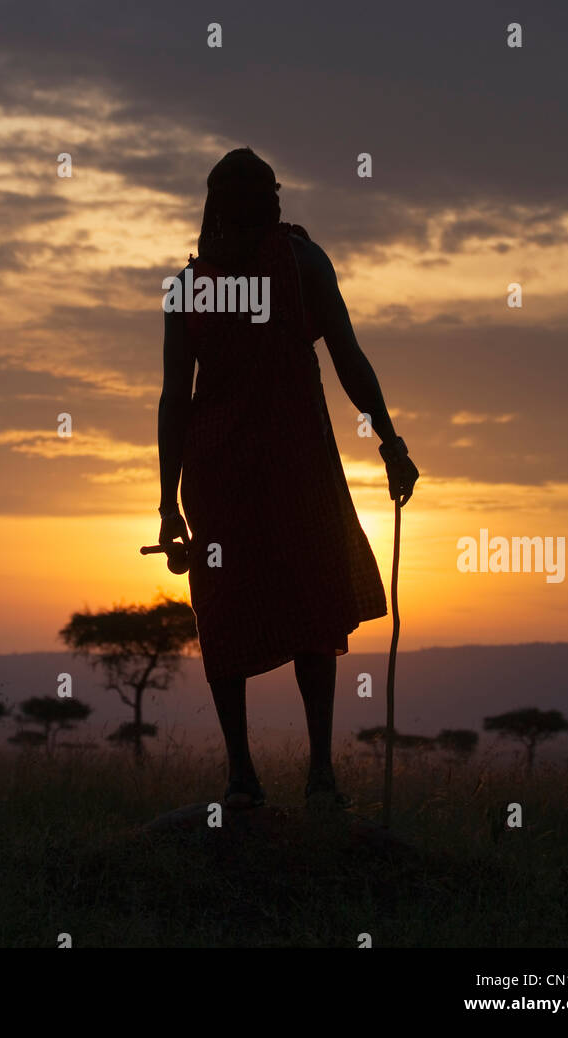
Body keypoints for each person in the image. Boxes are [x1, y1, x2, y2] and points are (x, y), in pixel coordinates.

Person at [157, 148, 418, 809]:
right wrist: (389, 441)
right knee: (273, 609)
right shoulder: (293, 265)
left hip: (253, 470)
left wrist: (167, 504)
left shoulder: (226, 280)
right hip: (268, 470)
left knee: (279, 608)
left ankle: (272, 777)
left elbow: (173, 403)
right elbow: (348, 360)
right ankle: (294, 777)